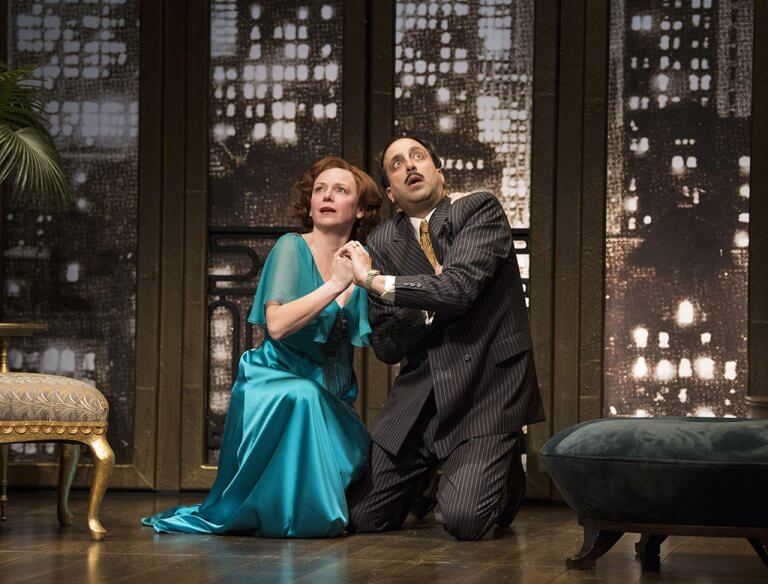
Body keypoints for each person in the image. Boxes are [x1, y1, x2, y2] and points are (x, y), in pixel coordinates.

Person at [142, 156, 382, 537]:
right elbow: (278, 325)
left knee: (368, 461)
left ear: (360, 209)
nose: (327, 196)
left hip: (332, 397)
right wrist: (336, 285)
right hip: (272, 383)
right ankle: (301, 516)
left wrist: (369, 279)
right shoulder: (291, 247)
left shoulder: (364, 261)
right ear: (309, 204)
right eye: (319, 189)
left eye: (340, 190)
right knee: (303, 396)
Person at [344, 135, 545, 541]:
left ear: (440, 173)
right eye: (397, 164)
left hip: (485, 386)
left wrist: (376, 281)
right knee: (361, 516)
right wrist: (425, 305)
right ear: (391, 193)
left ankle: (502, 468)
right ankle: (431, 474)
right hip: (423, 395)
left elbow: (459, 289)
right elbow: (385, 345)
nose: (409, 166)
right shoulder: (381, 243)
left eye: (418, 157)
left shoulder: (478, 209)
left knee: (464, 522)